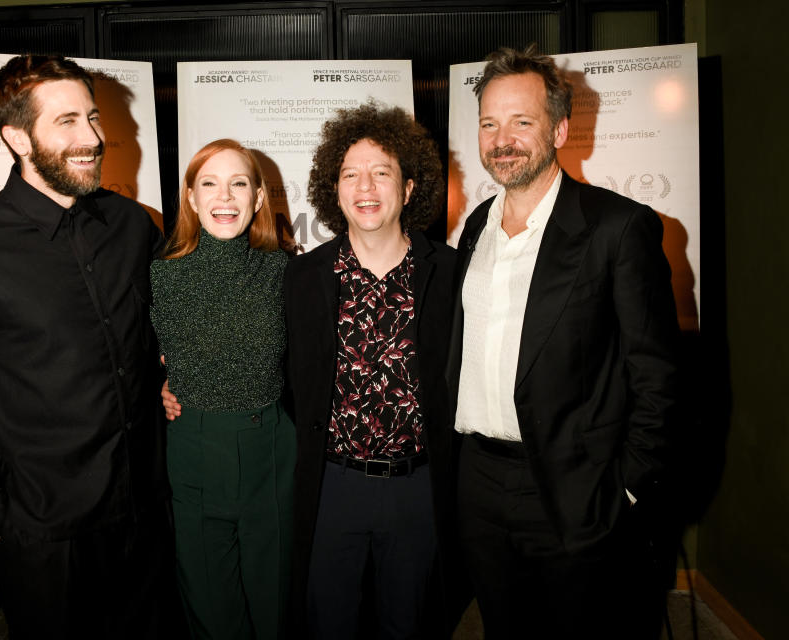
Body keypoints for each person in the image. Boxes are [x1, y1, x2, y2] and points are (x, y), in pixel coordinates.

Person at [0, 54, 176, 638]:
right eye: (66, 122)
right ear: (17, 136)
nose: (91, 138)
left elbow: (161, 336)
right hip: (49, 536)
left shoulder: (133, 227)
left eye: (92, 117)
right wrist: (4, 518)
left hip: (147, 514)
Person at [447, 45, 680, 639]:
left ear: (560, 128)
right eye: (489, 124)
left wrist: (624, 488)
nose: (503, 139)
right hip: (479, 484)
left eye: (521, 122)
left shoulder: (617, 227)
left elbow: (657, 376)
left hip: (575, 488)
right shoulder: (475, 227)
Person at [286, 102, 459, 639]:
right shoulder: (301, 278)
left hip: (417, 488)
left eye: (382, 172)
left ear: (408, 188)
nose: (366, 186)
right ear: (333, 191)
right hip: (332, 487)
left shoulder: (451, 275)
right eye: (350, 174)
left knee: (408, 626)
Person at [151, 139, 297, 640]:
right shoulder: (159, 275)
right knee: (213, 611)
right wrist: (160, 383)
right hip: (193, 449)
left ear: (258, 197)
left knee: (276, 603)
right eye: (209, 183)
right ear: (191, 198)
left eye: (239, 183)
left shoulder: (286, 272)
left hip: (272, 453)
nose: (225, 196)